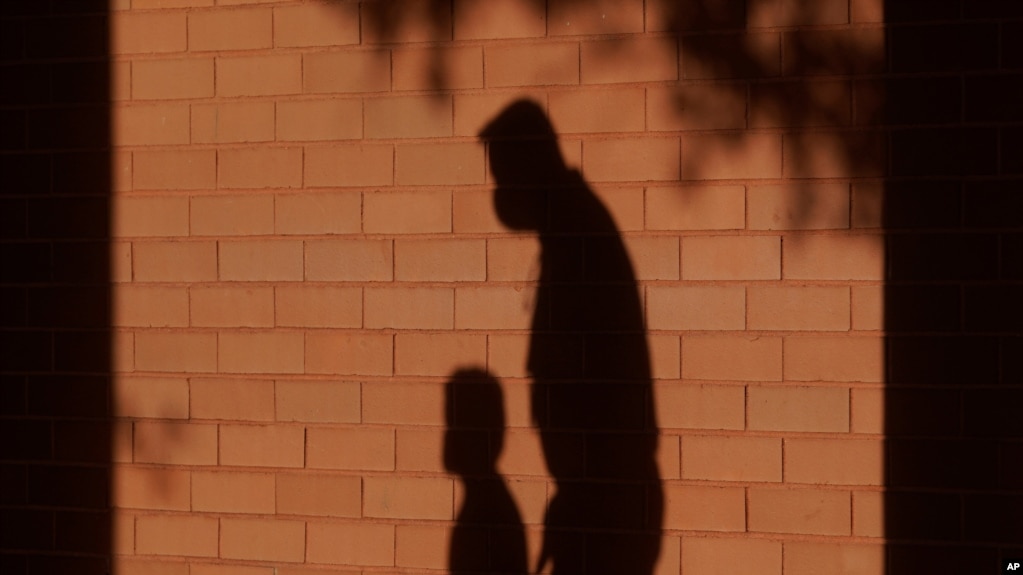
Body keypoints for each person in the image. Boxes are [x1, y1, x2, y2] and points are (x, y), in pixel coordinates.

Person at [480, 100, 663, 574]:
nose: (500, 191)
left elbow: (593, 384)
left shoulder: (578, 237)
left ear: (528, 166)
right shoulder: (567, 232)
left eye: (503, 175)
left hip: (603, 503)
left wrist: (581, 503)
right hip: (591, 499)